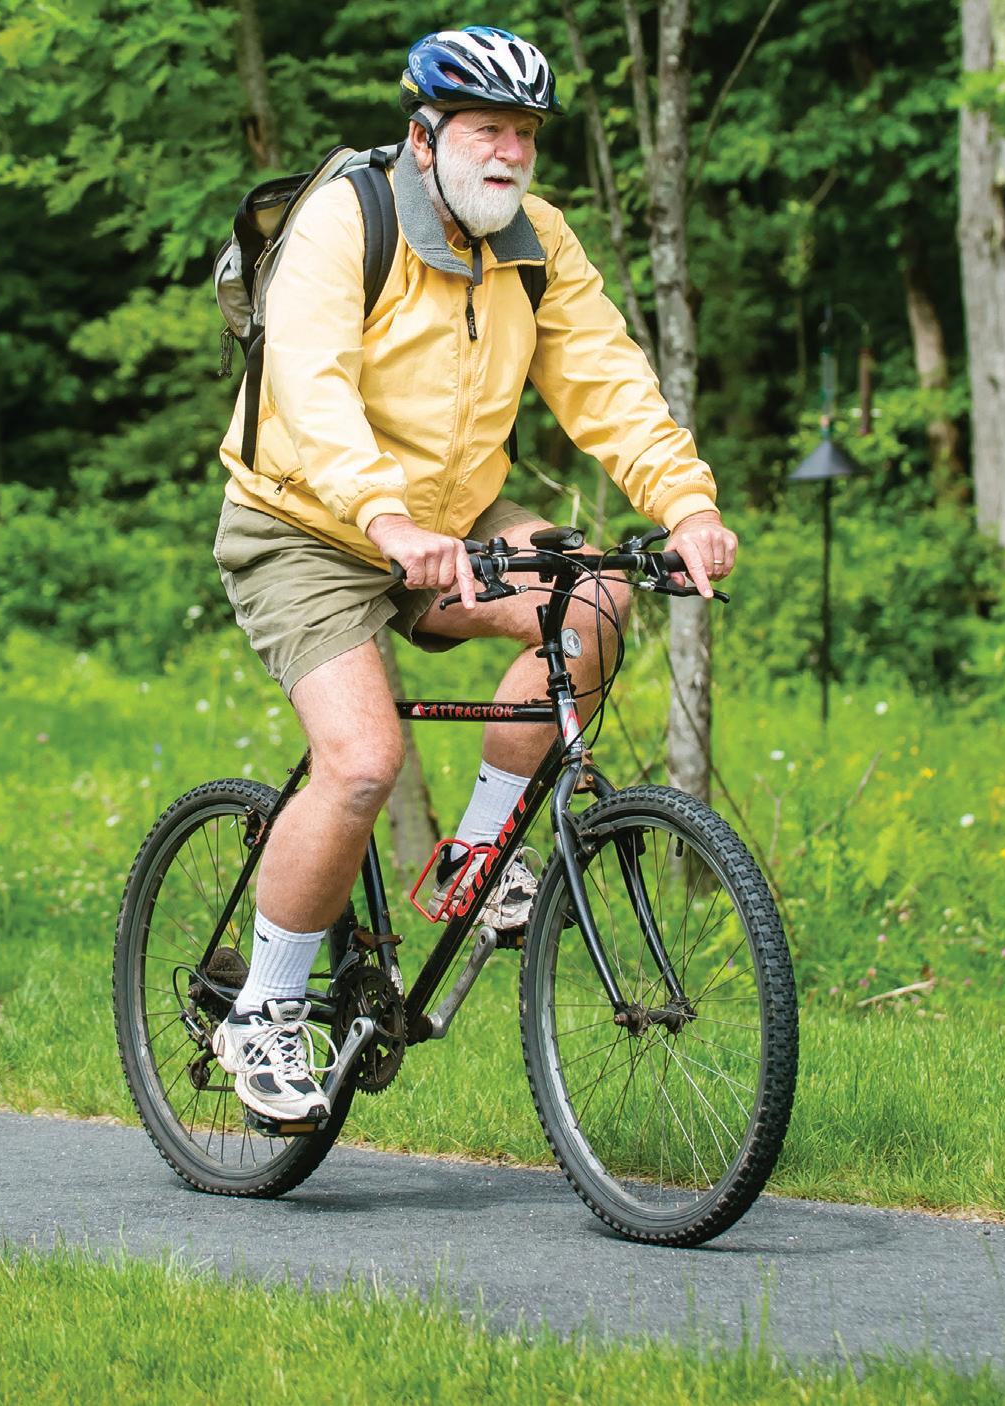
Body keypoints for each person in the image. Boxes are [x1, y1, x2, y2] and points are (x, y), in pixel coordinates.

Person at [210, 26, 737, 1123]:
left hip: (448, 522)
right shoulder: (346, 220)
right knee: (361, 761)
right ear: (424, 136)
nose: (509, 153)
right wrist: (385, 515)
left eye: (525, 134)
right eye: (486, 129)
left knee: (593, 598)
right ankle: (262, 1011)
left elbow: (606, 380)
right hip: (304, 523)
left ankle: (477, 859)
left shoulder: (536, 242)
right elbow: (311, 386)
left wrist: (685, 502)